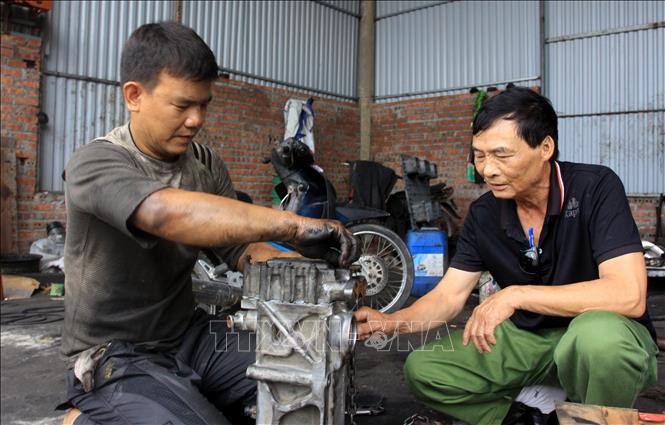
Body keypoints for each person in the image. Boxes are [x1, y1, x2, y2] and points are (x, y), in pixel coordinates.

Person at [59, 22, 358, 425]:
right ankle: (82, 418)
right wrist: (293, 225)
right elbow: (164, 213)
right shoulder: (96, 163)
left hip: (190, 337)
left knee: (307, 380)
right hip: (114, 354)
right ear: (134, 96)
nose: (196, 119)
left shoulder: (204, 163)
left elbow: (239, 249)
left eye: (204, 105)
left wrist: (312, 270)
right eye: (182, 106)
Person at [355, 87, 658, 425]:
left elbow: (628, 295)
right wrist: (393, 323)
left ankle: (594, 417)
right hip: (528, 338)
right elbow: (449, 296)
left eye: (502, 155)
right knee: (424, 370)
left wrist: (516, 295)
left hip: (596, 331)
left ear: (545, 148)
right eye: (480, 156)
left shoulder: (595, 187)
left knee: (599, 342)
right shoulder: (484, 214)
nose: (488, 170)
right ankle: (527, 418)